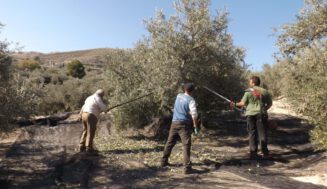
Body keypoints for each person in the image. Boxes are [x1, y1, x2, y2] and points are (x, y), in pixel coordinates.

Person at [161, 83, 199, 174]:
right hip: (184, 125)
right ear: (192, 91)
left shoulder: (179, 96)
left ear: (184, 89)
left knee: (170, 142)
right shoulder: (191, 100)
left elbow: (179, 108)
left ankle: (163, 161)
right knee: (186, 145)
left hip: (174, 122)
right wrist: (195, 126)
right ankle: (187, 168)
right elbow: (194, 115)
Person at [231, 76, 272, 159]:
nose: (249, 83)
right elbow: (270, 104)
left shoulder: (248, 91)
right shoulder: (265, 92)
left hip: (250, 114)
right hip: (261, 114)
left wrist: (234, 104)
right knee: (262, 134)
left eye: (250, 82)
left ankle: (253, 153)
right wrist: (264, 109)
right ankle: (265, 153)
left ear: (253, 83)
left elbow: (242, 103)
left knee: (252, 133)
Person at [79, 89, 108, 154]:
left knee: (85, 130)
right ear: (101, 95)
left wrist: (80, 115)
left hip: (84, 114)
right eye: (102, 95)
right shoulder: (98, 98)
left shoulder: (89, 98)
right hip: (90, 116)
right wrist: (106, 109)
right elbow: (103, 108)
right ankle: (89, 148)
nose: (102, 97)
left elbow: (83, 106)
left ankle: (81, 146)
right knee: (91, 131)